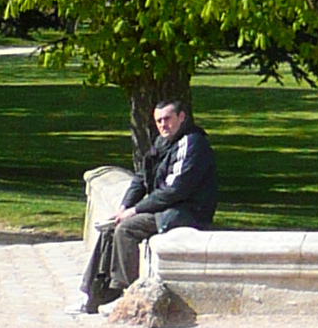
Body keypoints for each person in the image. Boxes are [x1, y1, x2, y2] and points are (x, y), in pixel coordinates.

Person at [75, 96, 219, 312]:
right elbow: (142, 177)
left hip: (187, 212)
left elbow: (175, 190)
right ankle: (94, 294)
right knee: (110, 227)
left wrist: (136, 210)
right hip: (168, 208)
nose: (163, 125)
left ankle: (127, 293)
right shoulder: (162, 142)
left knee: (126, 229)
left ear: (181, 117)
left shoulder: (192, 143)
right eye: (159, 121)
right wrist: (124, 206)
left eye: (167, 119)